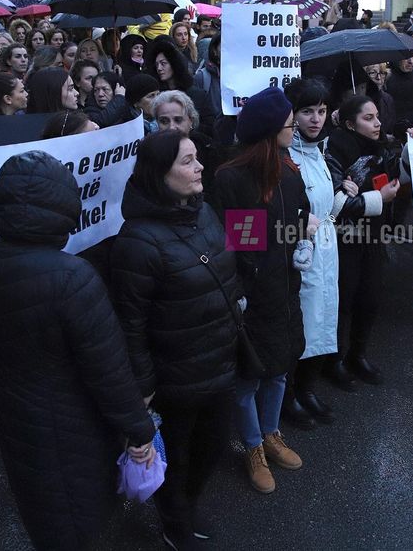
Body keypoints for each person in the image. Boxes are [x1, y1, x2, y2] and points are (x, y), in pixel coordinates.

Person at [0, 150, 154, 551]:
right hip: (73, 420)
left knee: (43, 508)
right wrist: (139, 430)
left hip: (13, 407)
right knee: (76, 516)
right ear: (65, 208)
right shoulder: (72, 277)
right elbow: (108, 371)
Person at [109, 129, 237, 547]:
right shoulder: (137, 242)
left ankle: (185, 507)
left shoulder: (202, 210)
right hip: (175, 381)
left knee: (211, 448)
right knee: (176, 461)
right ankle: (175, 525)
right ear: (160, 174)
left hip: (220, 363)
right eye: (187, 161)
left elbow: (229, 257)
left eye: (197, 158)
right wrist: (144, 388)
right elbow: (132, 326)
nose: (200, 167)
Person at [214, 87, 310, 495]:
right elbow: (242, 245)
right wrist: (248, 285)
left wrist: (301, 240)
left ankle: (271, 432)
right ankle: (252, 445)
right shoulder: (233, 177)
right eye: (290, 121)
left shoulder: (289, 172)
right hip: (254, 293)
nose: (296, 127)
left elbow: (299, 220)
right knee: (250, 373)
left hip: (286, 287)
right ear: (272, 130)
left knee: (280, 365)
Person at [324, 93, 404, 387]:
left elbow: (396, 178)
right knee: (344, 301)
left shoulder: (381, 148)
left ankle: (358, 355)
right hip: (345, 239)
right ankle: (333, 361)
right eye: (368, 118)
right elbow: (338, 204)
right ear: (349, 123)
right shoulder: (334, 149)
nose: (377, 123)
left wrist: (412, 144)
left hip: (373, 235)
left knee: (370, 299)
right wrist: (377, 198)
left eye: (377, 117)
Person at [284, 79, 349, 426]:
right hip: (299, 255)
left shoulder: (319, 152)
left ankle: (307, 388)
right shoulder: (284, 156)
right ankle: (289, 396)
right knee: (301, 325)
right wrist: (298, 223)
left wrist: (342, 197)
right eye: (307, 111)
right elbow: (262, 220)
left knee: (321, 318)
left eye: (322, 111)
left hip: (325, 250)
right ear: (290, 114)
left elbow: (324, 211)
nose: (315, 119)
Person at [145, 37, 215, 134]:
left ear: (174, 64)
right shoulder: (156, 96)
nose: (159, 68)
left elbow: (209, 126)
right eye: (156, 65)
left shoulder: (197, 95)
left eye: (163, 63)